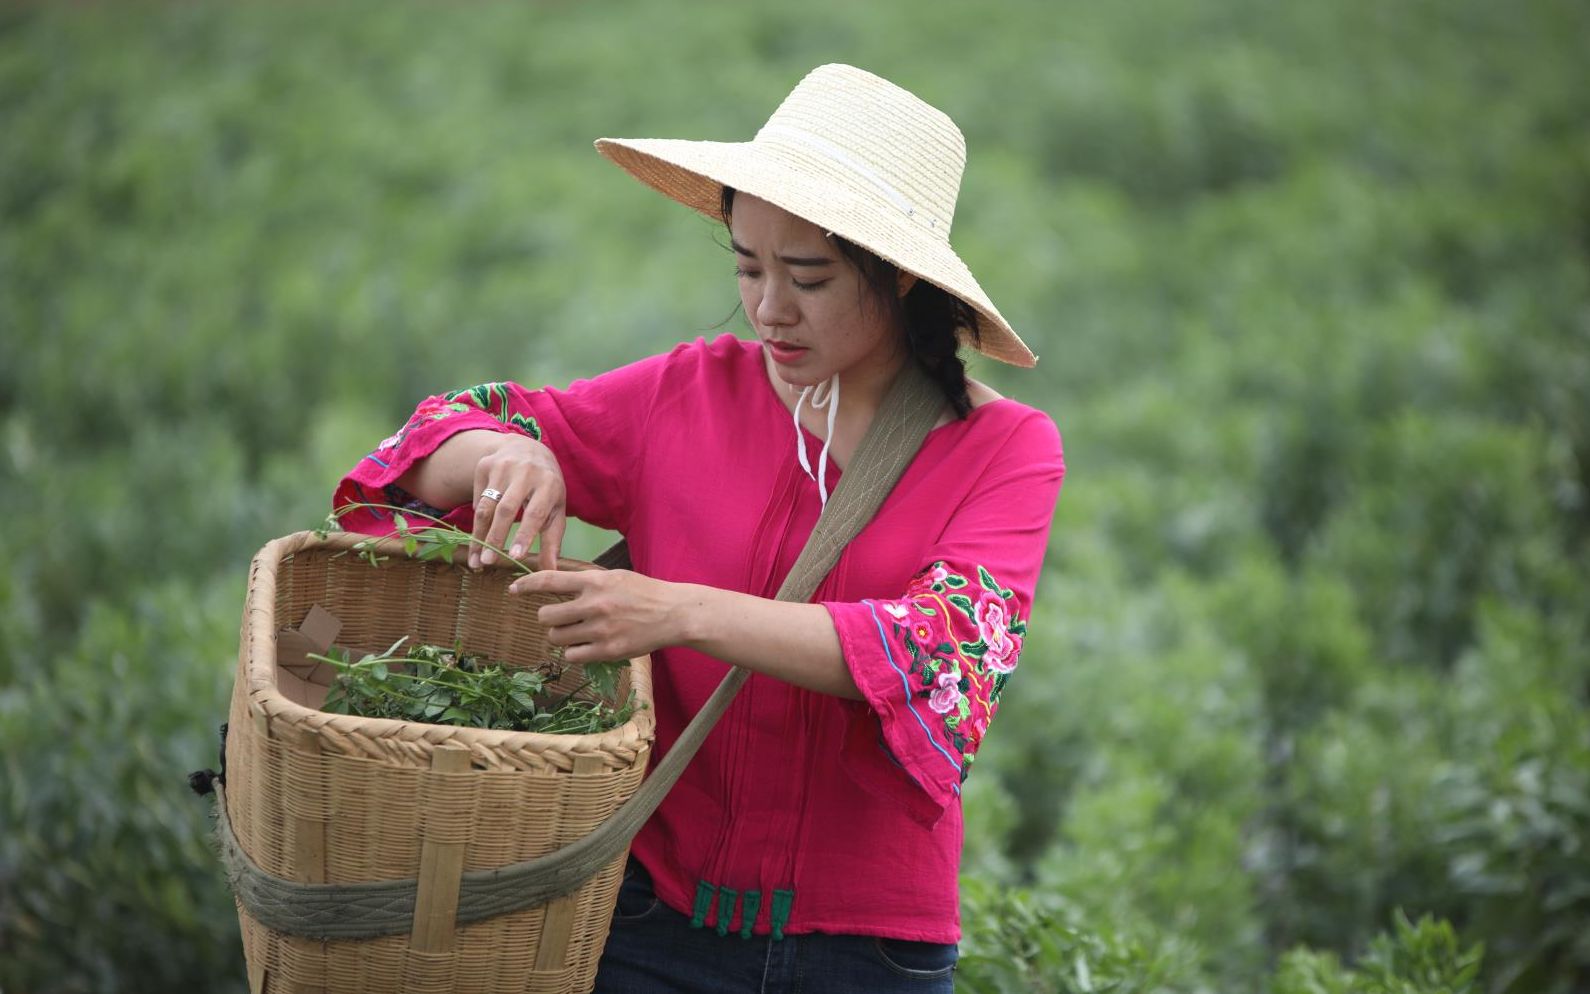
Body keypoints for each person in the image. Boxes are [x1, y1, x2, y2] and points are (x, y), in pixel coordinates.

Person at [333, 63, 1064, 993]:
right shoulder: (689, 392)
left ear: (907, 284)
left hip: (866, 951)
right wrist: (509, 453)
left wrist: (679, 610)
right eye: (748, 268)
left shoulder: (1004, 449)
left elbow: (943, 655)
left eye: (809, 277)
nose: (768, 308)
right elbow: (438, 435)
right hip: (644, 921)